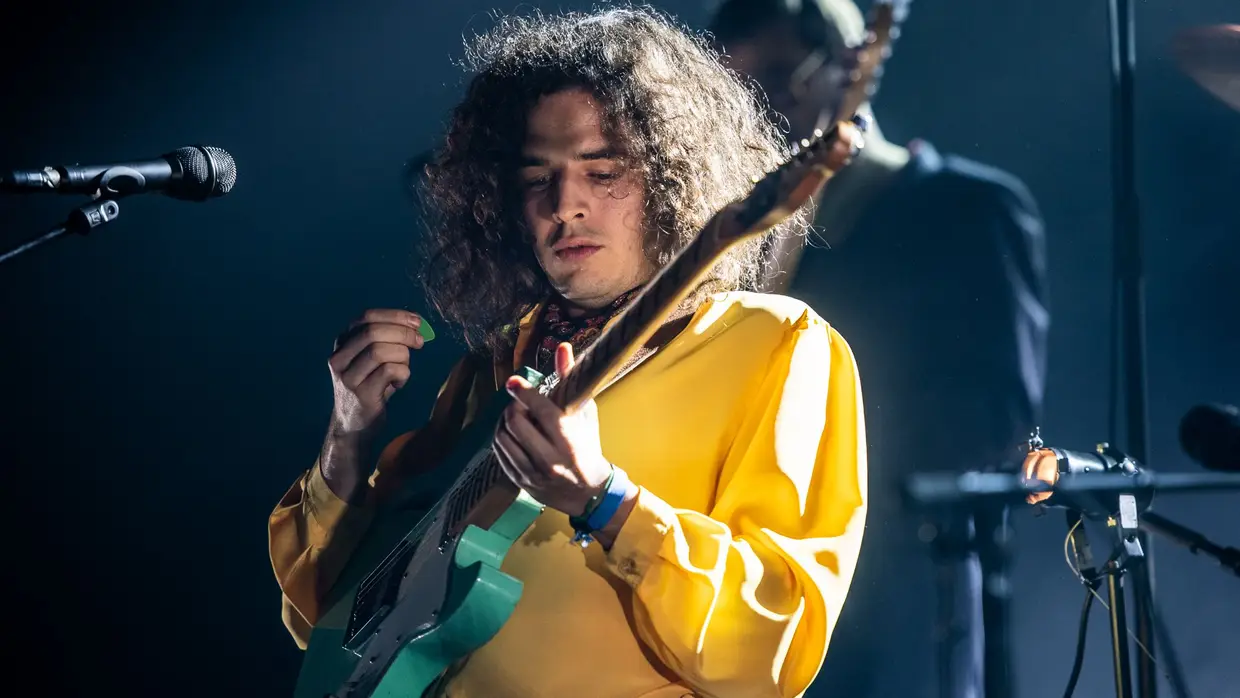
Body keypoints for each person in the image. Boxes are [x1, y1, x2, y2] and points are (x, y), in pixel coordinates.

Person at [269, 8, 872, 697]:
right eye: (536, 178)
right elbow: (333, 626)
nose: (566, 205)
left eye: (603, 169)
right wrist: (348, 436)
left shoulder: (776, 344)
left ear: (676, 174)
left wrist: (606, 501)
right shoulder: (494, 366)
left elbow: (771, 651)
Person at [707, 1, 1050, 697]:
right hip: (747, 592)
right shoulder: (734, 238)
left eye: (777, 79)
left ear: (845, 68)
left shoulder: (967, 207)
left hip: (899, 598)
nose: (758, 113)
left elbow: (990, 426)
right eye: (736, 93)